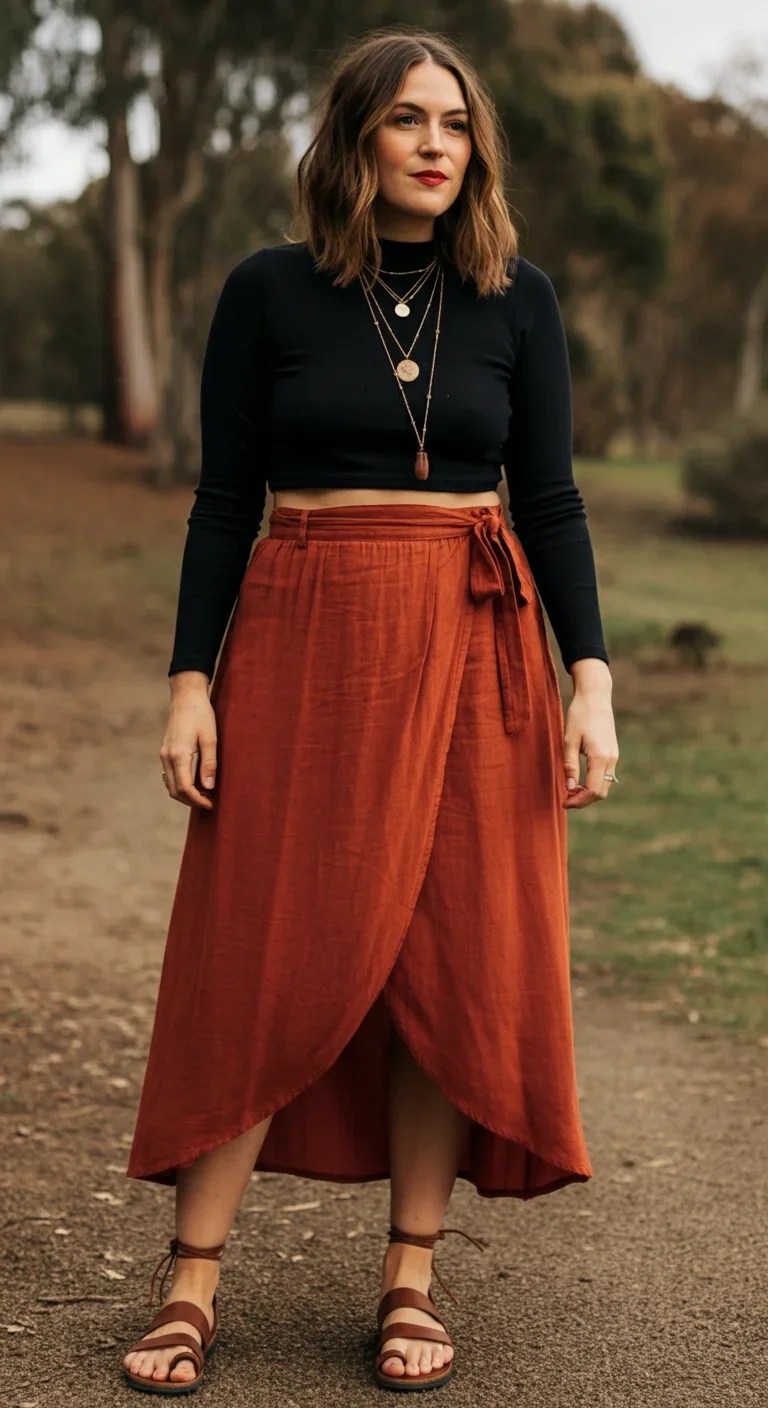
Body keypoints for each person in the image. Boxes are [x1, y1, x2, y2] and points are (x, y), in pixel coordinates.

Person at [121, 27, 619, 1397]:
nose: (435, 145)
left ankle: (411, 1274)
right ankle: (191, 1282)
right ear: (354, 138)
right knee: (261, 935)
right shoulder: (269, 291)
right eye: (407, 119)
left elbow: (551, 500)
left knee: (449, 950)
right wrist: (189, 683)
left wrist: (589, 678)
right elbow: (223, 501)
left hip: (476, 642)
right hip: (306, 634)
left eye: (455, 124)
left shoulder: (517, 299)